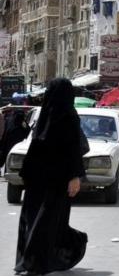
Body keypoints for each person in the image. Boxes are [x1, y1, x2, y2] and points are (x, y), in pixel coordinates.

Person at [15, 78, 88, 275]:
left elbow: (38, 147)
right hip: (54, 179)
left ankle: (31, 261)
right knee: (47, 220)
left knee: (38, 219)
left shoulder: (48, 115)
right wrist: (75, 177)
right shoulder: (66, 116)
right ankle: (35, 261)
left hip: (43, 179)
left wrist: (26, 174)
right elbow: (72, 149)